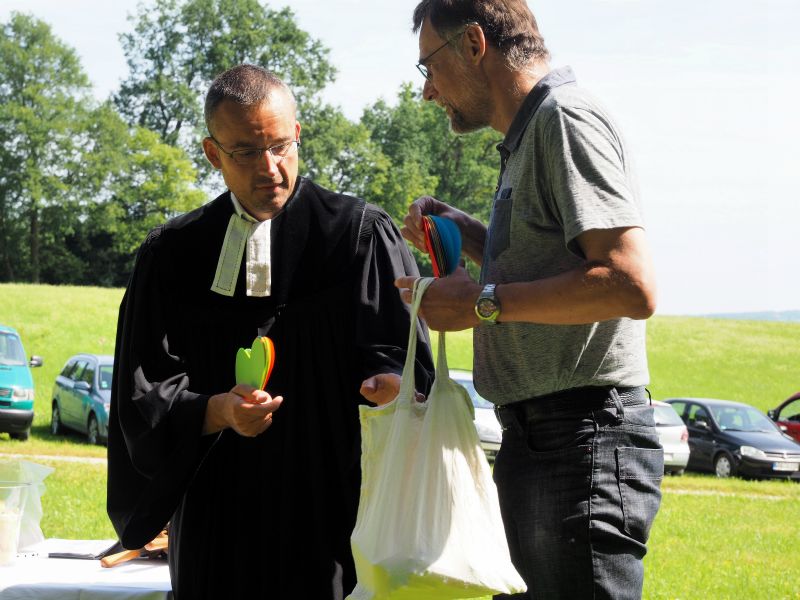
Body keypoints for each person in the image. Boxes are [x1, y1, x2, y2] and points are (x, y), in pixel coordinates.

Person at [107, 64, 433, 599]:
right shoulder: (173, 256)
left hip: (332, 513)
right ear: (213, 154)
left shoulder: (356, 237)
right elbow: (143, 394)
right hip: (216, 521)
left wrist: (388, 386)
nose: (270, 168)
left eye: (281, 146)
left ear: (298, 134)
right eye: (246, 153)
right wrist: (217, 411)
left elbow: (400, 356)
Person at [397, 2, 663, 599]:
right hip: (547, 440)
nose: (428, 94)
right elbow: (556, 264)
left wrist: (479, 305)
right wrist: (466, 233)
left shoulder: (565, 119)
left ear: (473, 45)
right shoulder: (528, 135)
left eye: (428, 69)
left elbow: (629, 284)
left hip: (582, 442)